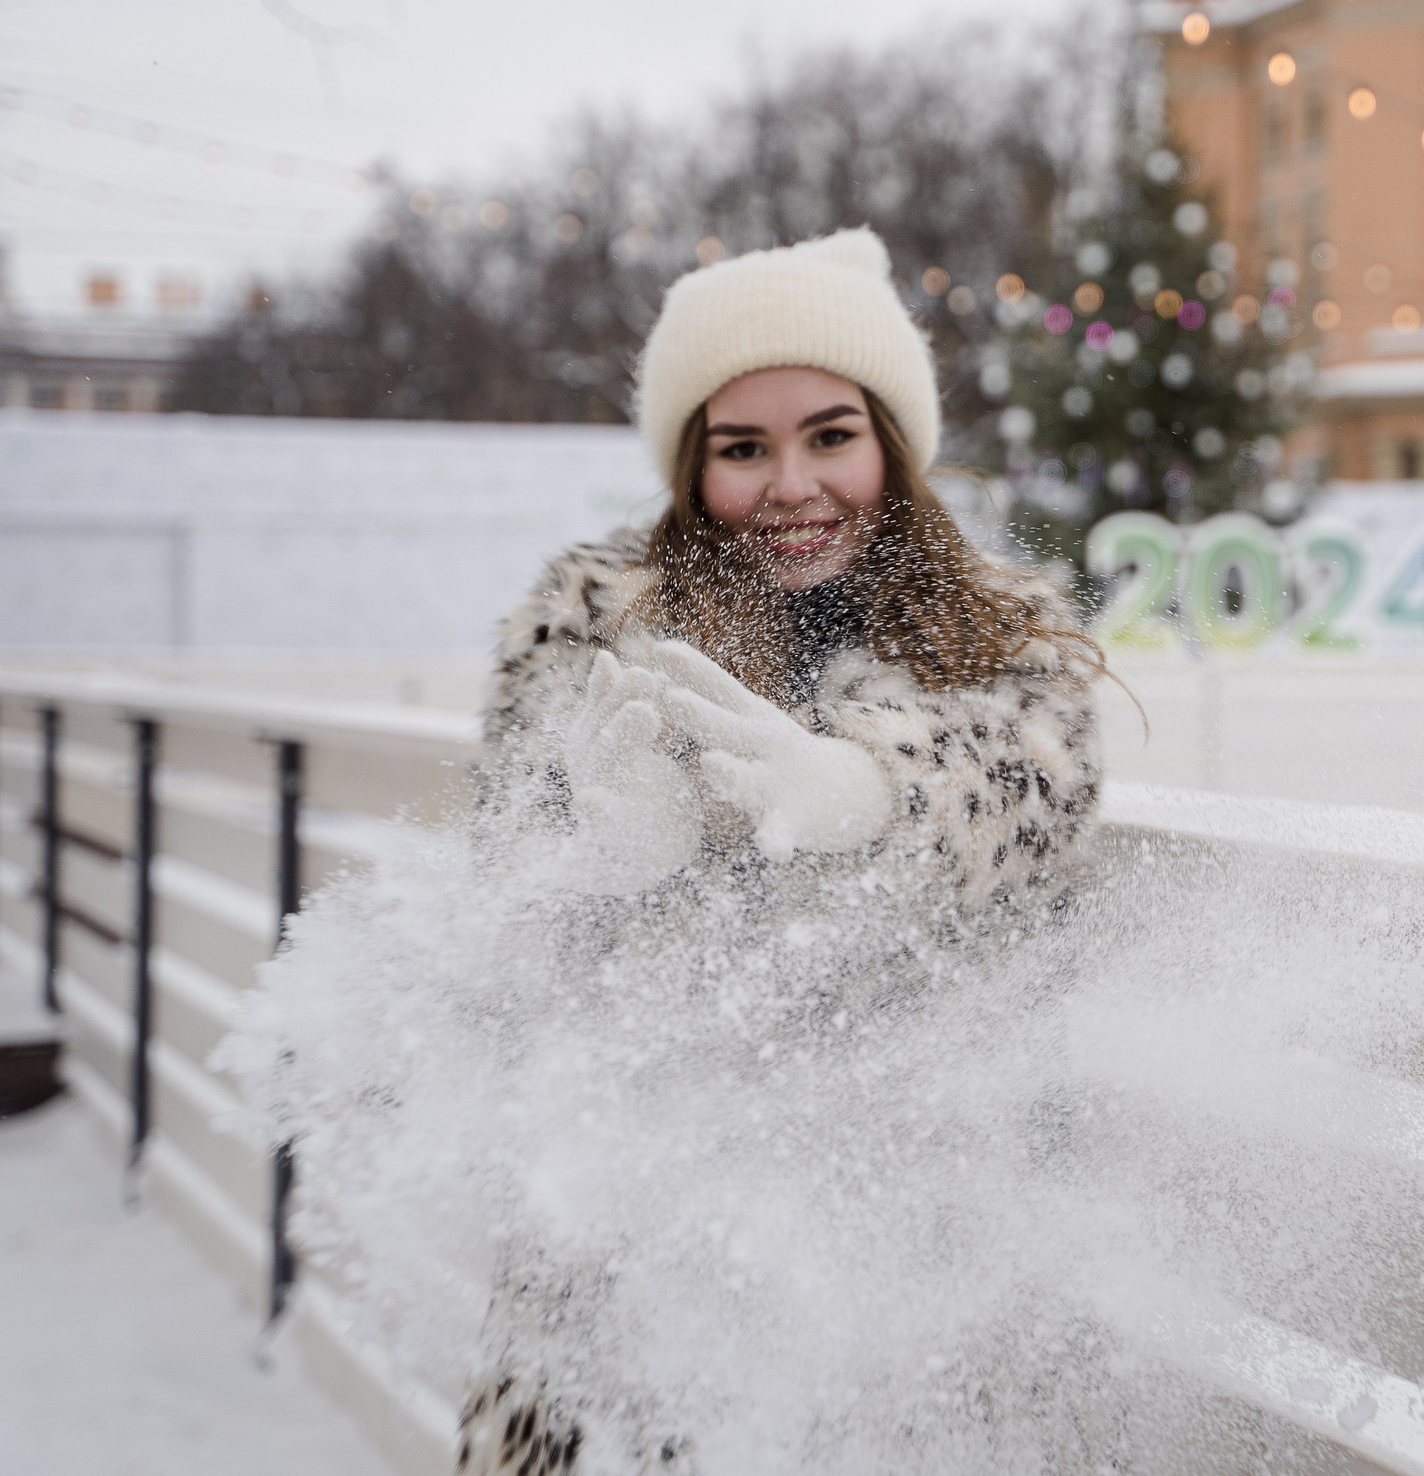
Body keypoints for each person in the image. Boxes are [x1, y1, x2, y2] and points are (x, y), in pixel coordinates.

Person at [457, 227, 1105, 1474]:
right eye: (741, 448)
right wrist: (604, 851)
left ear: (890, 445)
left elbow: (1044, 787)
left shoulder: (1000, 628)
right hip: (631, 1229)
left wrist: (875, 790)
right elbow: (505, 853)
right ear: (692, 468)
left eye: (830, 435)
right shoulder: (590, 619)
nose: (792, 483)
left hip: (919, 1239)